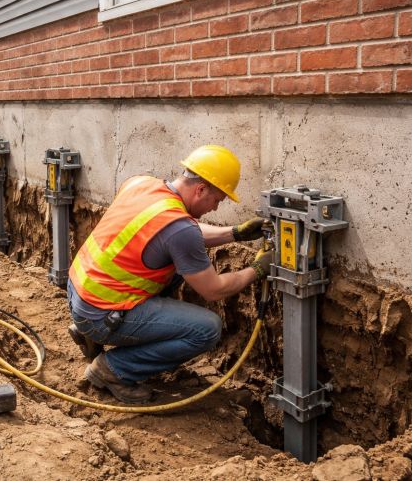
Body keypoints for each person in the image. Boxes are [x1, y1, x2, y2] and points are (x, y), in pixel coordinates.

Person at [67, 144, 274, 404]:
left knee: (176, 268)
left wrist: (236, 233)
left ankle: (88, 332)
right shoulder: (180, 228)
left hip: (79, 294)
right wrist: (258, 269)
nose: (215, 208)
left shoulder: (141, 184)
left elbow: (173, 232)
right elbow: (214, 289)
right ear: (201, 189)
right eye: (217, 200)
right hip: (100, 314)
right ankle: (113, 370)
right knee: (207, 329)